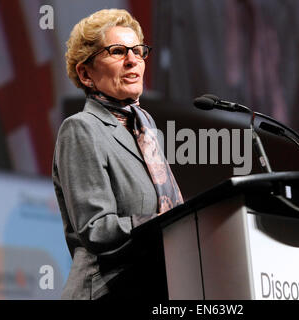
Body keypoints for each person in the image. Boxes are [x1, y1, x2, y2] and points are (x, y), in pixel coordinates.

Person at [52, 9, 183, 300]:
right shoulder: (81, 128)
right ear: (86, 73)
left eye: (138, 51)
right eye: (117, 51)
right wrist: (169, 221)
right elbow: (96, 229)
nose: (133, 59)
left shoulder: (147, 131)